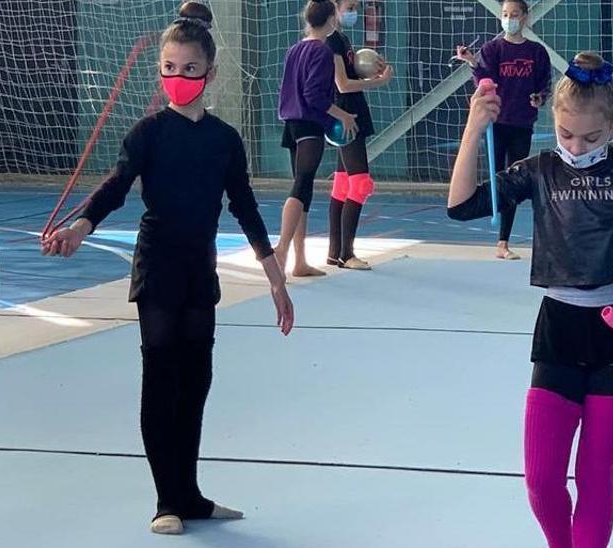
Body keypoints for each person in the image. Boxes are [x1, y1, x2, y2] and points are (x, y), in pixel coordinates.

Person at [41, 2, 295, 534]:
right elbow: (114, 187)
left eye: (190, 68)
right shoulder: (148, 134)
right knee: (161, 375)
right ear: (161, 70)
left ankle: (192, 494)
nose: (179, 78)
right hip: (157, 268)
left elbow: (245, 207)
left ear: (210, 73)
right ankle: (166, 501)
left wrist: (276, 281)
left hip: (199, 272)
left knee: (196, 379)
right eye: (170, 68)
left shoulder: (225, 140)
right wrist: (79, 229)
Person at [447, 51, 613, 548]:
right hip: (557, 327)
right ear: (553, 120)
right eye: (565, 134)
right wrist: (473, 129)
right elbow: (461, 206)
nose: (576, 146)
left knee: (596, 479)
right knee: (542, 481)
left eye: (591, 138)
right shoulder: (539, 170)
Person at [455, 0, 552, 260]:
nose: (509, 19)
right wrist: (472, 62)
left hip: (522, 123)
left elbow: (545, 85)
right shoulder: (493, 49)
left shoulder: (536, 52)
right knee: (497, 177)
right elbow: (484, 80)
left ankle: (503, 242)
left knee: (514, 179)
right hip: (497, 123)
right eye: (505, 14)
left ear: (525, 18)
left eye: (514, 14)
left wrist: (540, 98)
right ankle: (496, 230)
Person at [276, 0, 359, 277]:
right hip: (308, 125)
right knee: (300, 186)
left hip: (291, 123)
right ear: (331, 21)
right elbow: (314, 95)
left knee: (305, 190)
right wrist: (342, 115)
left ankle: (299, 260)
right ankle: (282, 250)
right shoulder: (321, 51)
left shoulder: (295, 49)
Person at [326, 0, 394, 270]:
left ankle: (335, 251)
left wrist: (370, 69)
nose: (353, 12)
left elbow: (348, 74)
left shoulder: (341, 39)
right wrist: (378, 82)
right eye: (350, 7)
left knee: (342, 183)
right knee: (361, 183)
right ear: (335, 7)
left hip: (351, 112)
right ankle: (347, 253)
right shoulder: (330, 42)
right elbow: (341, 84)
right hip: (345, 116)